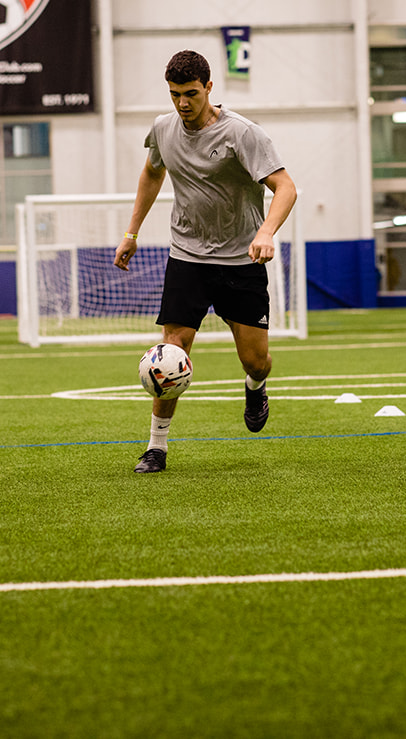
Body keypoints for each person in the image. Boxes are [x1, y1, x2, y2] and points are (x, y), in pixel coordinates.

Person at [114, 50, 298, 474]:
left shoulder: (242, 134)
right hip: (187, 258)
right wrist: (131, 233)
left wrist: (266, 232)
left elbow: (285, 187)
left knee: (256, 360)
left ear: (209, 88)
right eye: (175, 94)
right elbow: (152, 173)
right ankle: (156, 447)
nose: (183, 103)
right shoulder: (163, 129)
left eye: (191, 94)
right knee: (170, 353)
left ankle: (255, 387)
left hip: (241, 260)